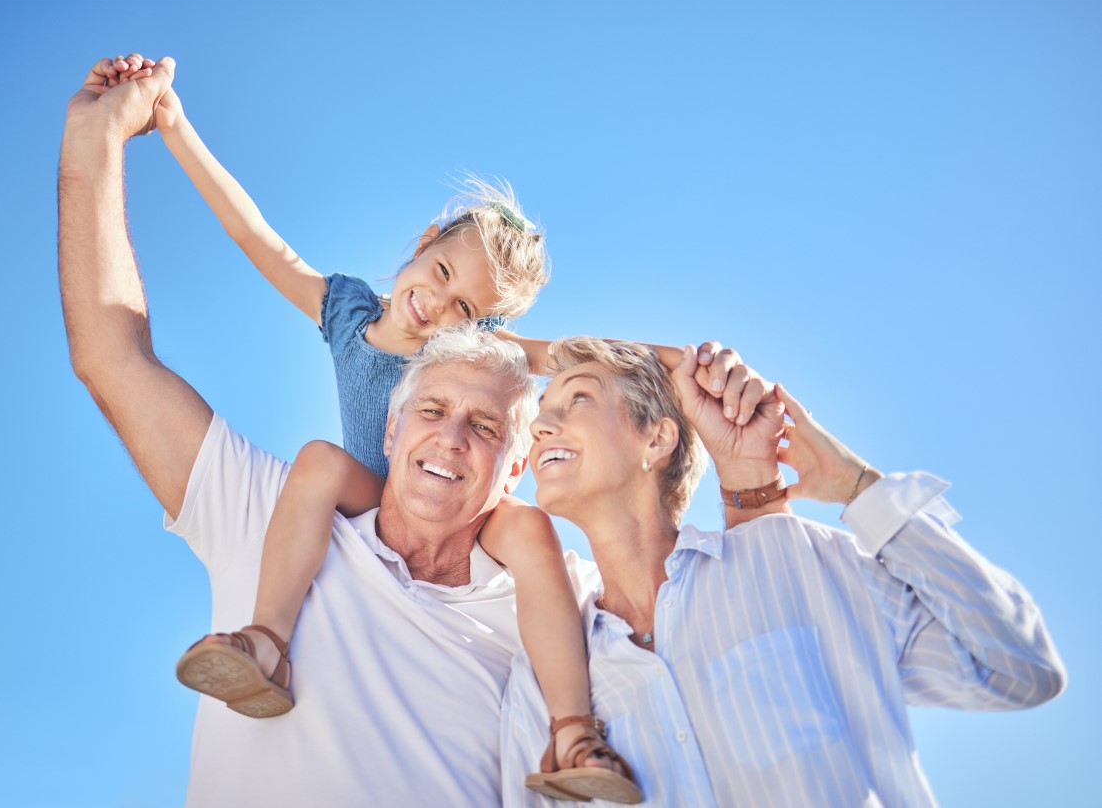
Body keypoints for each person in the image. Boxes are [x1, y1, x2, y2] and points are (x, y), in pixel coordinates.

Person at [60, 54, 762, 805]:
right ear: (426, 240)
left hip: (472, 528)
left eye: (467, 310)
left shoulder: (481, 369)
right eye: (443, 274)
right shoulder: (346, 316)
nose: (441, 307)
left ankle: (571, 729)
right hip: (366, 494)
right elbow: (252, 238)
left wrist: (692, 365)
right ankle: (266, 639)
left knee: (527, 531)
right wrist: (169, 126)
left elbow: (587, 357)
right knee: (320, 462)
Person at [502, 337, 1067, 806]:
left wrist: (853, 484)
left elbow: (1019, 666)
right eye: (542, 409)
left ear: (657, 437)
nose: (541, 426)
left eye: (575, 400)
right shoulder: (549, 678)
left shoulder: (802, 566)